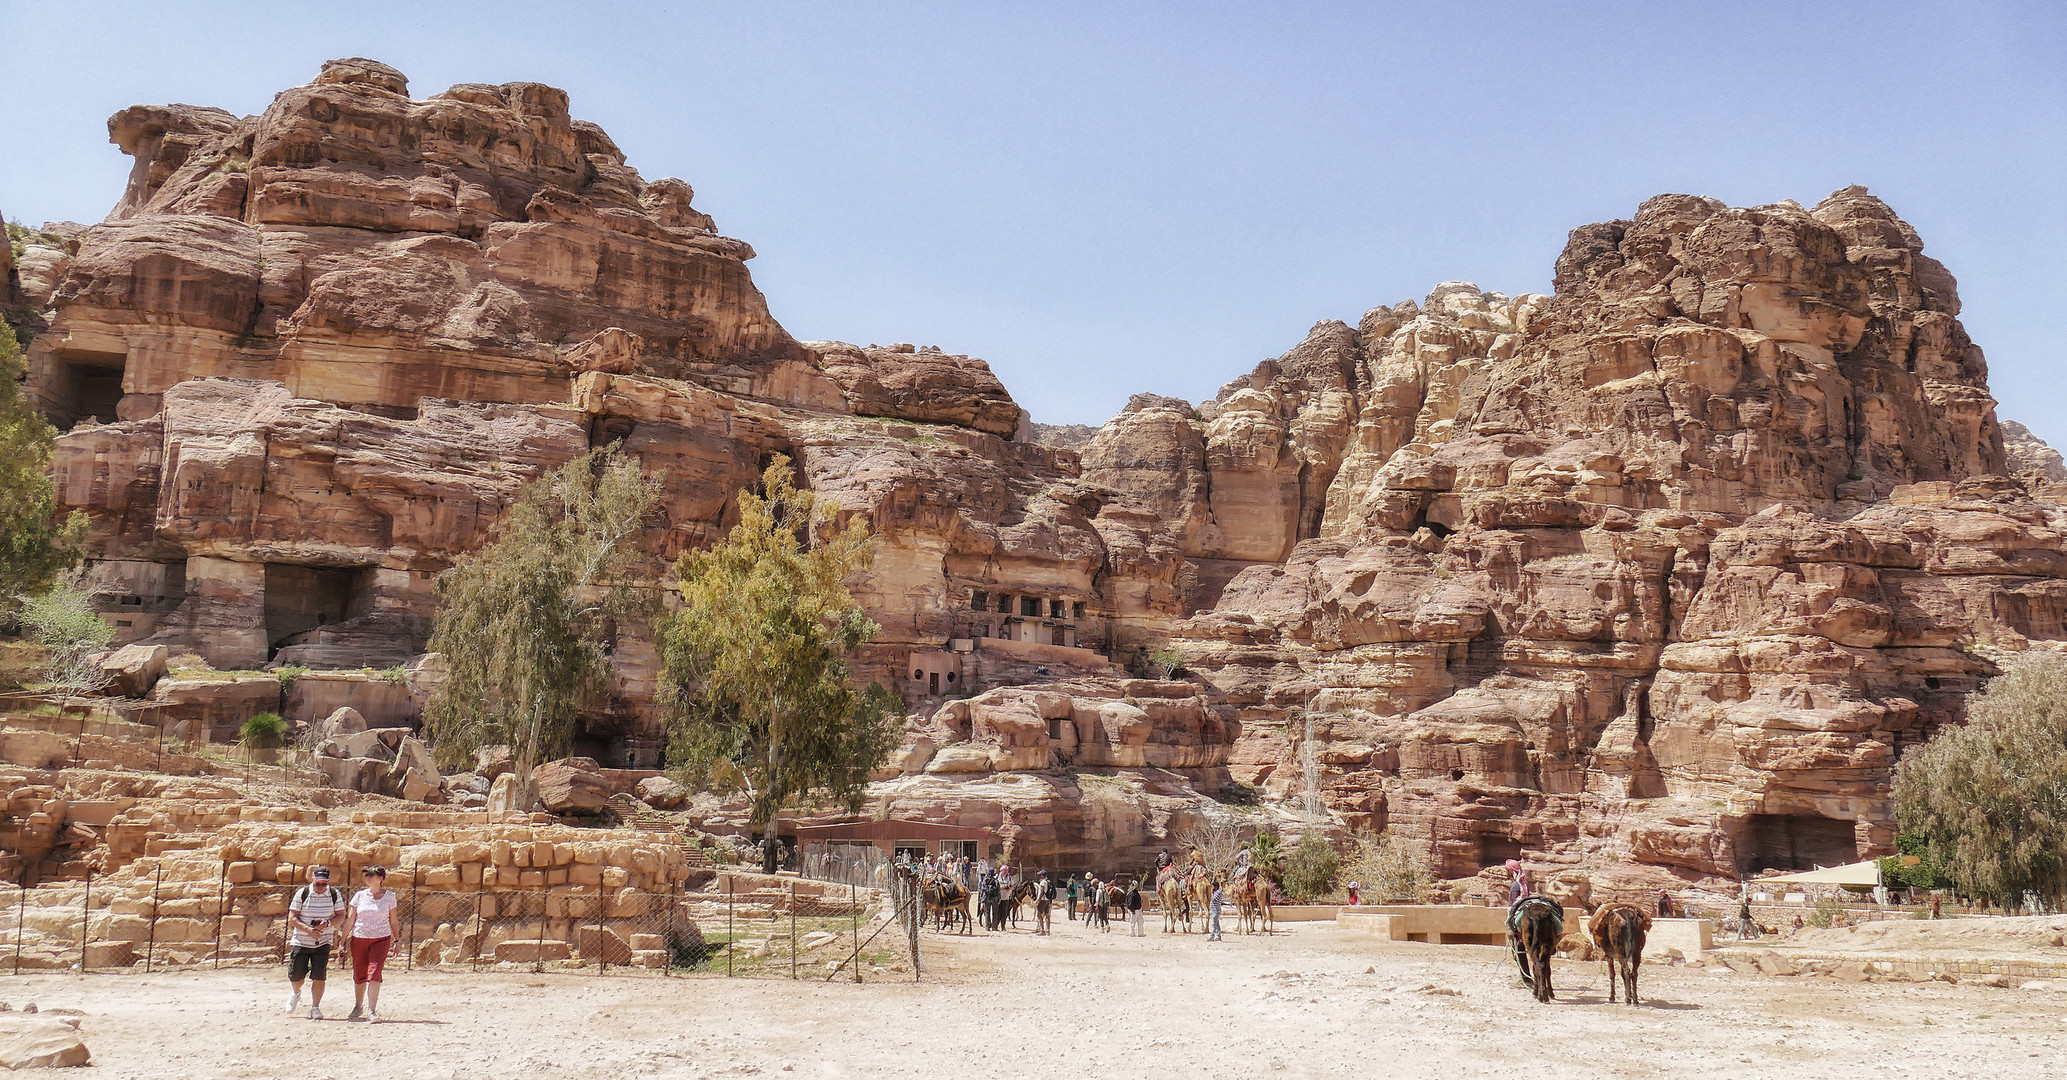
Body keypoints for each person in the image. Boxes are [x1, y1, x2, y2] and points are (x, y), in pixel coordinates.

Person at [286, 866, 345, 1019]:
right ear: (312, 879)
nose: (321, 887)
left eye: (324, 884)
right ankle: (296, 992)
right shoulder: (303, 893)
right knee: (297, 976)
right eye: (318, 883)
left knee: (319, 976)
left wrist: (327, 923)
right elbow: (292, 918)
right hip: (301, 941)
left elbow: (341, 915)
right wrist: (308, 930)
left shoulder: (333, 894)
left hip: (323, 941)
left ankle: (315, 1007)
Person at [346, 865, 401, 1022]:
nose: (369, 877)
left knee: (375, 972)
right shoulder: (359, 896)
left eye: (373, 875)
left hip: (381, 939)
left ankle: (372, 1010)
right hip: (359, 938)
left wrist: (397, 940)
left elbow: (394, 920)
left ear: (381, 878)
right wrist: (343, 940)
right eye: (367, 875)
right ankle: (358, 1006)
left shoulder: (390, 896)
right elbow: (351, 919)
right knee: (359, 973)